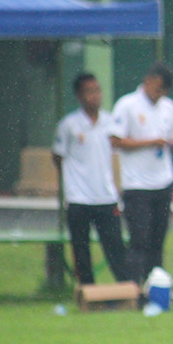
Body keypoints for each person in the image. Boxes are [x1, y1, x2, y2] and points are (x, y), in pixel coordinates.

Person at [52, 73, 131, 285]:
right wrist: (73, 182)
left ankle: (127, 290)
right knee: (81, 249)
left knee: (115, 246)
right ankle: (87, 293)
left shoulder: (110, 122)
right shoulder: (69, 125)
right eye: (89, 91)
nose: (95, 96)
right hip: (79, 199)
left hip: (106, 196)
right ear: (79, 95)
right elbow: (57, 157)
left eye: (97, 90)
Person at [110, 62, 173, 283]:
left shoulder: (169, 107)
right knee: (139, 240)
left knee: (157, 240)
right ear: (148, 81)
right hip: (137, 185)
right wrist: (149, 142)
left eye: (165, 91)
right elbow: (115, 140)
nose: (160, 94)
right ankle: (133, 288)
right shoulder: (127, 105)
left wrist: (170, 143)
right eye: (158, 88)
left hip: (163, 181)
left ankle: (155, 286)